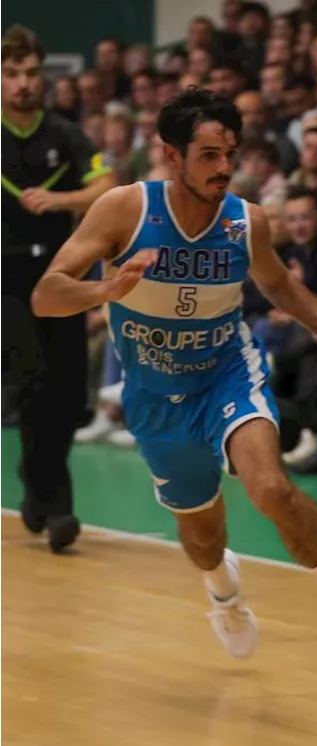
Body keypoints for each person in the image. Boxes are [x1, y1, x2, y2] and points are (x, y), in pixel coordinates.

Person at [29, 88, 317, 662]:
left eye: (230, 152)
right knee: (204, 535)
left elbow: (280, 284)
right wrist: (105, 289)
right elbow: (45, 295)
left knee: (272, 489)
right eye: (209, 154)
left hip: (226, 371)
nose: (224, 167)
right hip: (155, 394)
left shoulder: (245, 220)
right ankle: (224, 594)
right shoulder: (124, 209)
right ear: (172, 155)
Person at [0, 25, 114, 553]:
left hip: (61, 279)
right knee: (36, 382)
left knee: (68, 397)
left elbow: (105, 184)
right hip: (6, 283)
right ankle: (57, 507)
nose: (22, 84)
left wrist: (60, 201)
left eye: (29, 73)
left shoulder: (64, 133)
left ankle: (34, 478)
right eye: (11, 74)